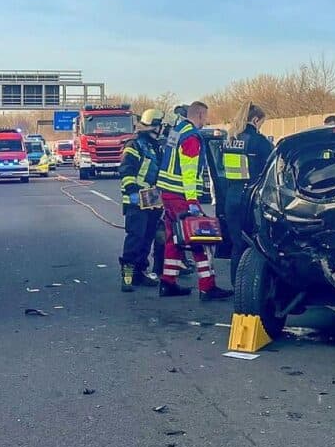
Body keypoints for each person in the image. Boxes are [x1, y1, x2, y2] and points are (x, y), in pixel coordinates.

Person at [156, 101, 233, 301]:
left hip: (168, 193)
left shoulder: (177, 131)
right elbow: (189, 171)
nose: (206, 121)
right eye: (205, 116)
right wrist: (192, 201)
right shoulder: (191, 137)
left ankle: (168, 282)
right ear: (199, 115)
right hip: (181, 194)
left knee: (174, 239)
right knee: (200, 239)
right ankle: (207, 287)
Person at [222, 102, 275, 285]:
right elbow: (271, 168)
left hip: (231, 196)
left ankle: (236, 285)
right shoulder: (259, 141)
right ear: (255, 120)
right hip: (251, 198)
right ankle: (252, 287)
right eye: (261, 123)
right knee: (257, 245)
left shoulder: (229, 139)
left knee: (237, 244)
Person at [118, 109, 167, 292]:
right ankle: (127, 277)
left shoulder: (156, 146)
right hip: (136, 200)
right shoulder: (134, 145)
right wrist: (133, 191)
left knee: (147, 238)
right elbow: (126, 170)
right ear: (154, 126)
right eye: (160, 126)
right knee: (135, 238)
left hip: (152, 198)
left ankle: (140, 273)